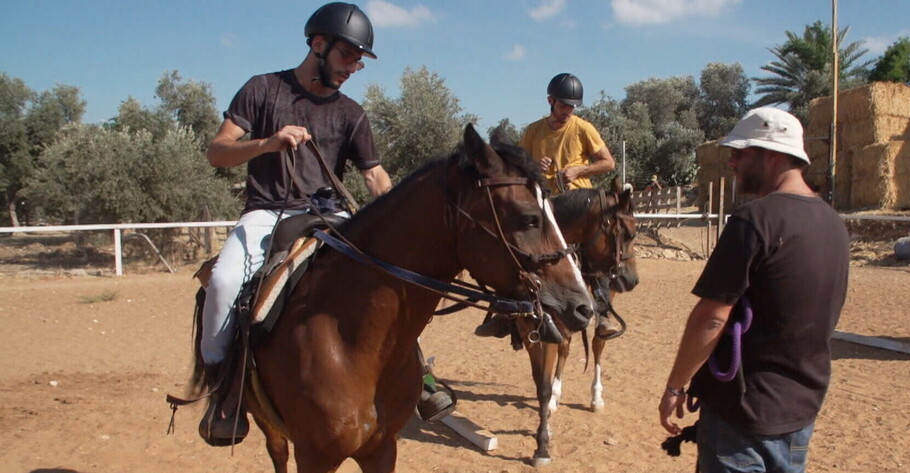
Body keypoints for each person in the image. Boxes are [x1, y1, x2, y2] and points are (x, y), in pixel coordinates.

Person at [196, 2, 452, 446]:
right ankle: (224, 390)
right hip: (266, 213)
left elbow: (374, 175)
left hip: (330, 217)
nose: (354, 67)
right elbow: (217, 152)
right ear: (318, 44)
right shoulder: (262, 90)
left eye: (359, 59)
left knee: (384, 287)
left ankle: (421, 379)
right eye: (348, 56)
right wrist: (267, 143)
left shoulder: (352, 113)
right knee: (222, 283)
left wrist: (396, 220)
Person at [658, 107, 849, 473]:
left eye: (739, 155)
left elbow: (713, 315)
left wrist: (676, 385)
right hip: (801, 402)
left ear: (768, 155)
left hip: (742, 407)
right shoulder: (833, 224)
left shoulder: (754, 220)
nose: (732, 164)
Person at [475, 73, 617, 338]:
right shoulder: (533, 130)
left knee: (596, 250)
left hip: (578, 205)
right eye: (564, 105)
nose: (568, 111)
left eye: (573, 106)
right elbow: (517, 167)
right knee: (516, 249)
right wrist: (534, 166)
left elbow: (608, 162)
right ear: (550, 101)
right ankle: (504, 315)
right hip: (547, 204)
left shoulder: (583, 129)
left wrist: (580, 170)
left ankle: (604, 315)